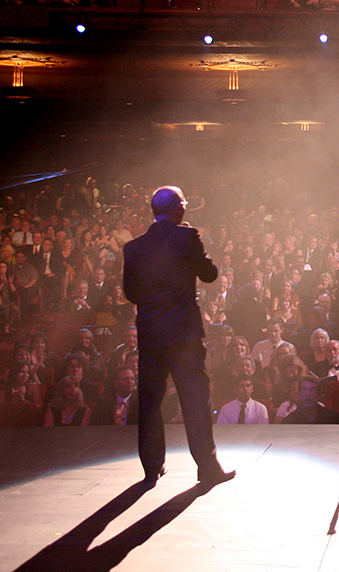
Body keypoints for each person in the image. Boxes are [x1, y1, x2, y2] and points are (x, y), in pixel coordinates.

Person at [123, 185, 234, 487]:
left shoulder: (133, 248)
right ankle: (207, 467)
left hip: (151, 334)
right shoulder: (187, 237)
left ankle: (151, 466)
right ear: (179, 210)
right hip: (184, 334)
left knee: (150, 400)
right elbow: (210, 274)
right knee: (195, 400)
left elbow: (130, 293)